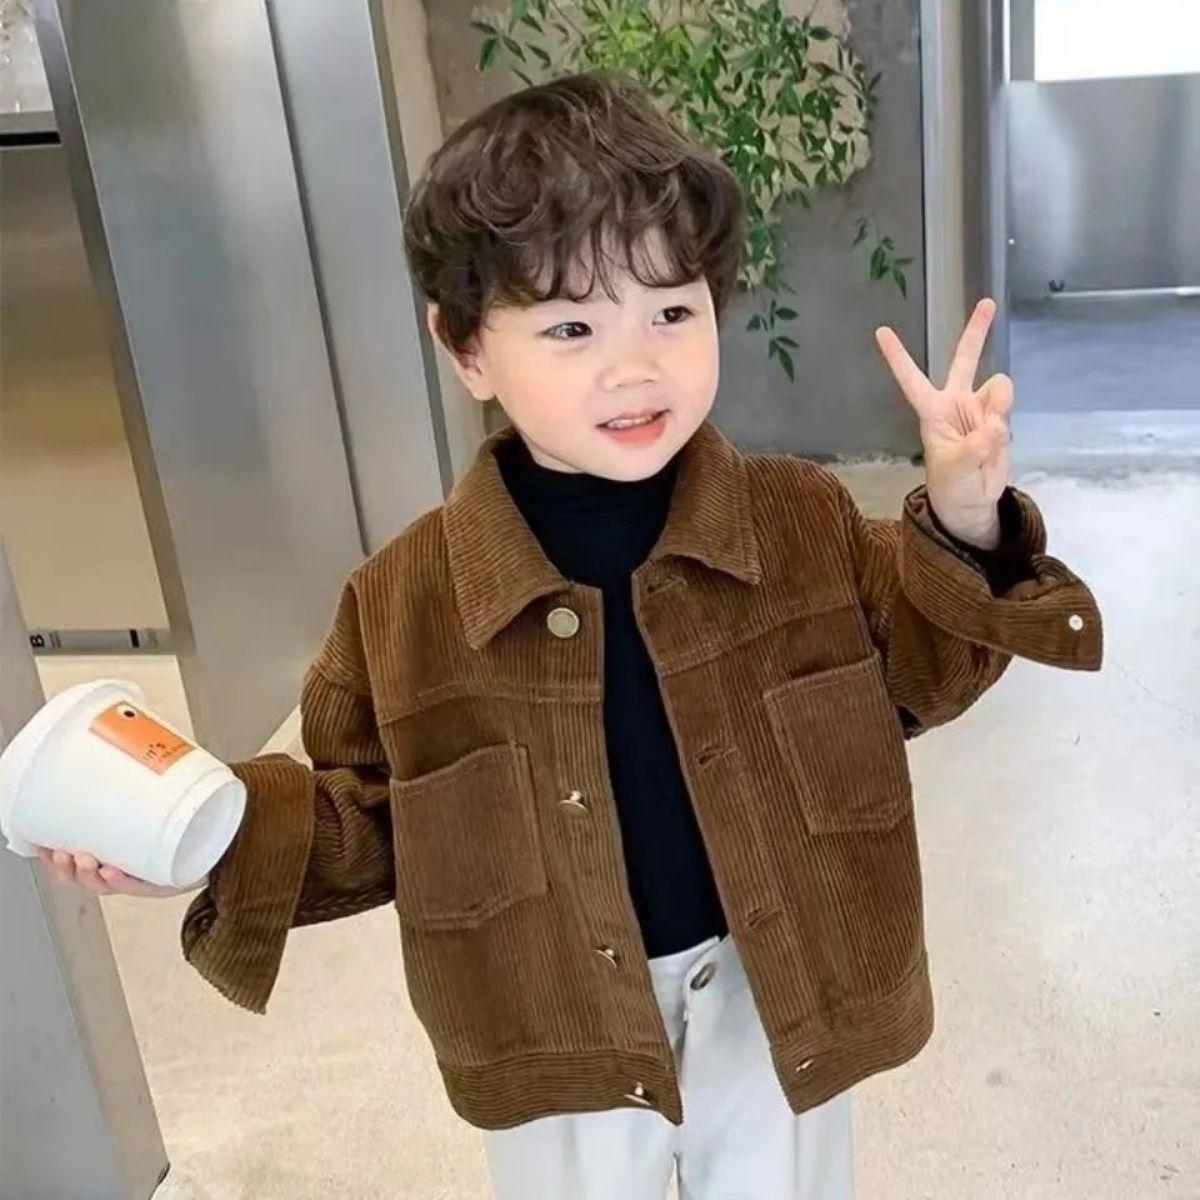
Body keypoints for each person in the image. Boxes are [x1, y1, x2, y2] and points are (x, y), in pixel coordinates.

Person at [41, 72, 1102, 1200]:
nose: (633, 365)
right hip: (551, 1017)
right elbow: (370, 816)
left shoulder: (801, 519)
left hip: (778, 986)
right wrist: (203, 839)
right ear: (466, 349)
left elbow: (925, 675)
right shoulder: (404, 600)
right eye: (571, 326)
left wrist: (968, 515)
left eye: (672, 312)